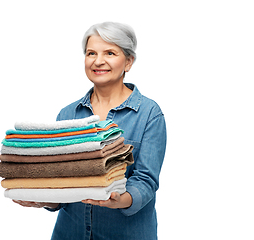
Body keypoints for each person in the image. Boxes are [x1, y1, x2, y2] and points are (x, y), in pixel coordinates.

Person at [13, 22, 167, 240]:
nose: (98, 61)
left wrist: (120, 199)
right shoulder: (68, 114)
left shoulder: (149, 113)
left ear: (129, 61)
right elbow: (61, 181)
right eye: (91, 53)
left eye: (110, 53)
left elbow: (146, 180)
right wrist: (44, 198)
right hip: (70, 233)